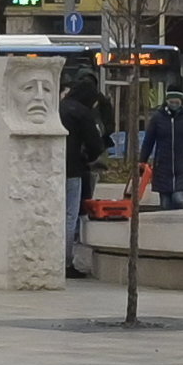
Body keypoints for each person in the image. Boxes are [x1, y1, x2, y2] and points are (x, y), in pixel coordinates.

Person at [55, 59, 110, 279]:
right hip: (73, 171)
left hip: (52, 169)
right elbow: (95, 145)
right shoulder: (82, 113)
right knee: (70, 216)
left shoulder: (59, 107)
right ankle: (66, 261)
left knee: (55, 214)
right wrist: (90, 158)